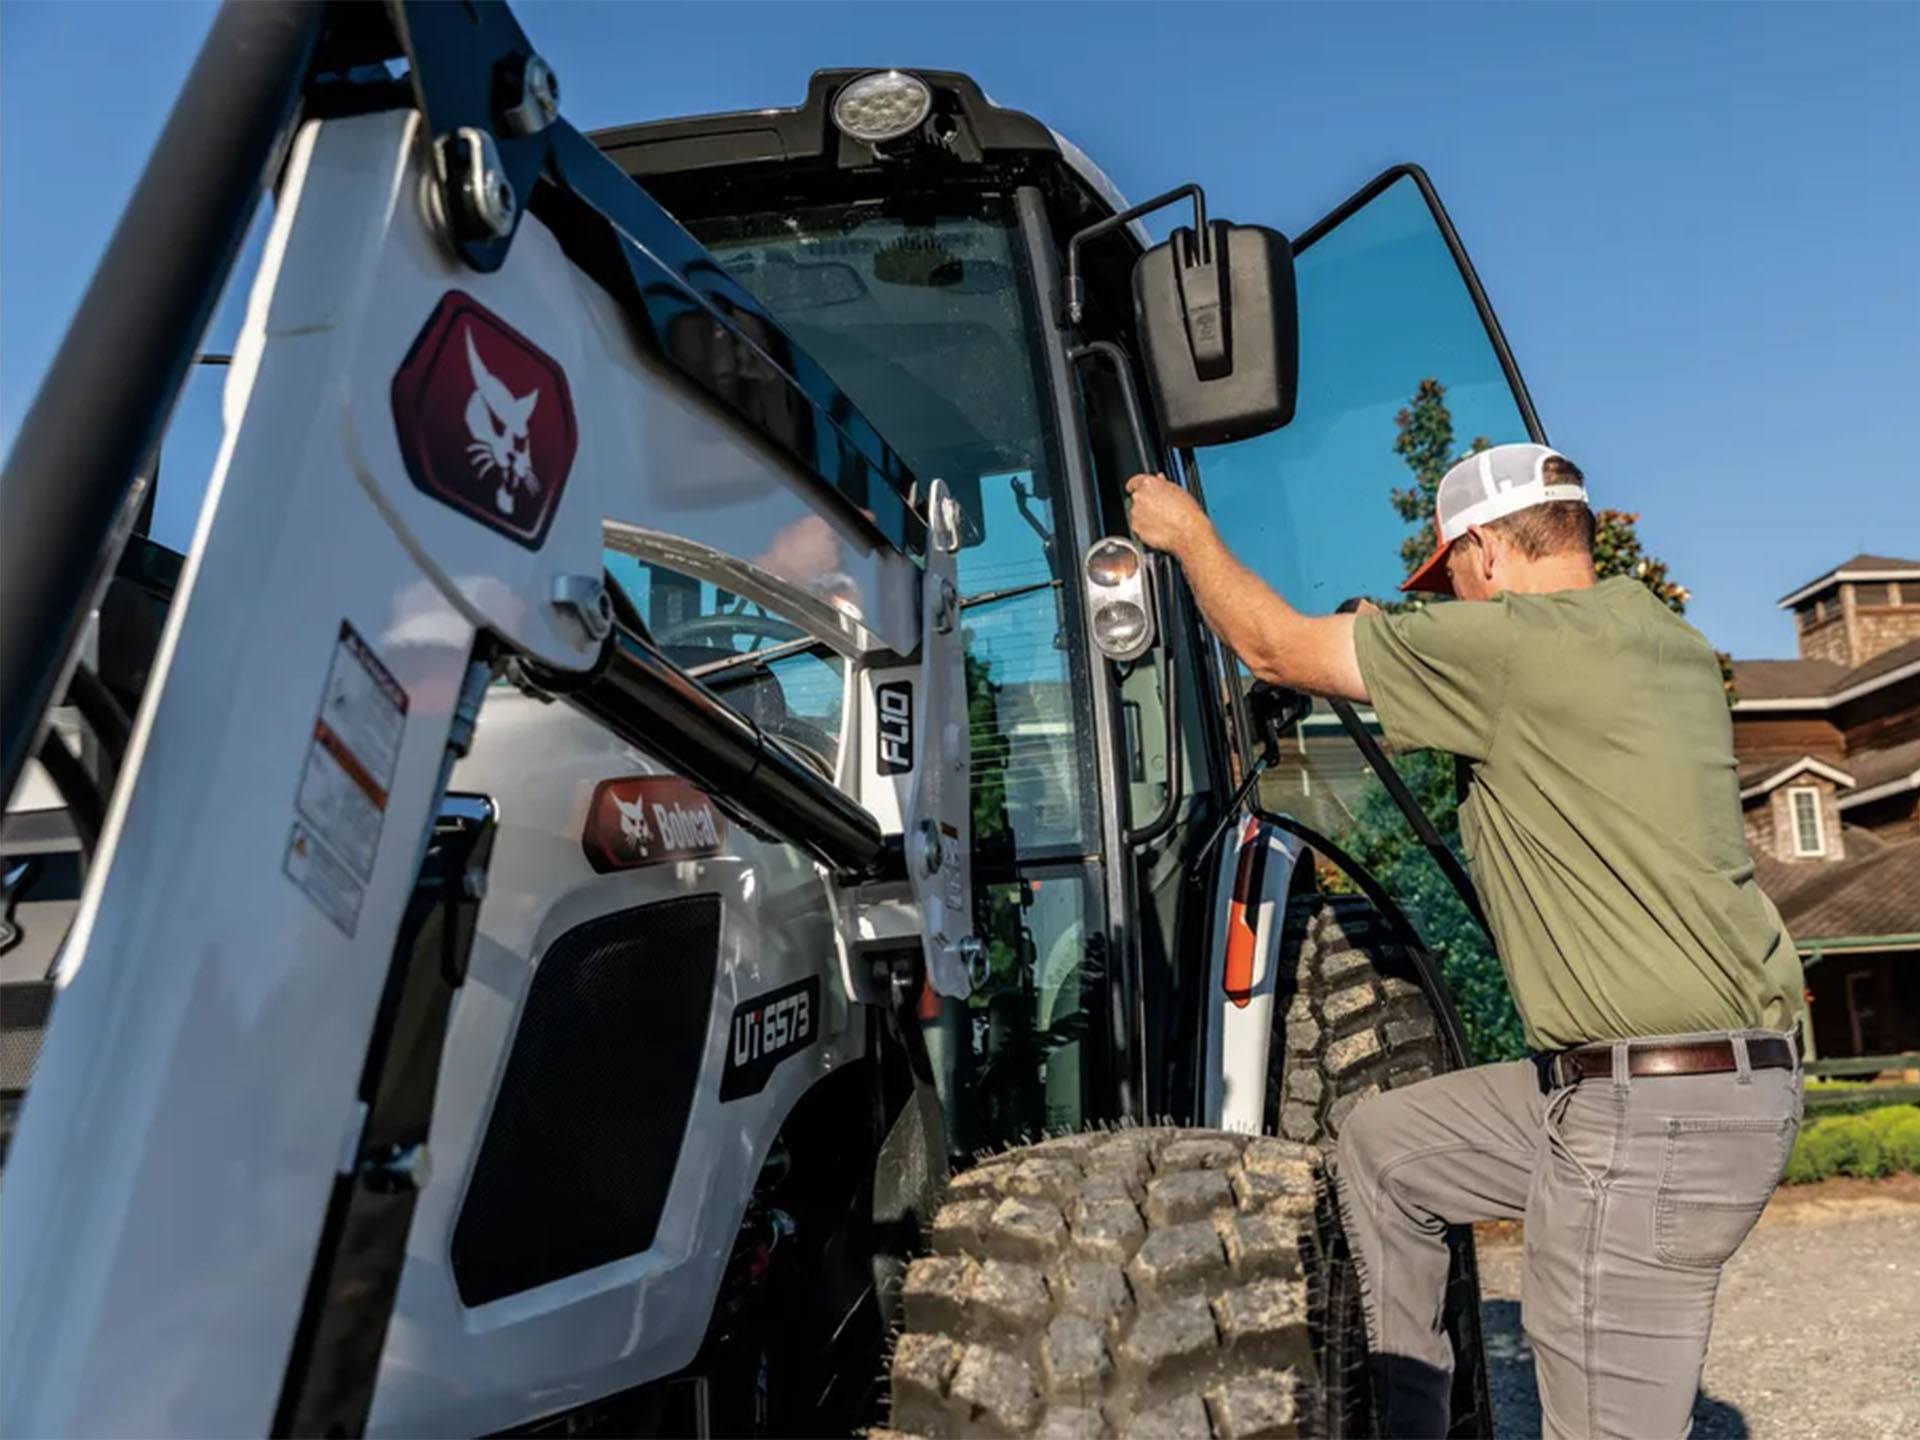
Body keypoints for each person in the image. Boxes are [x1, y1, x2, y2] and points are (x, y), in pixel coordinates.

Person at [1126, 445, 1805, 1440]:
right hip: (1699, 1088)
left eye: (1448, 581)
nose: (1448, 606)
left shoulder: (1519, 647)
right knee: (1389, 1147)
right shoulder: (1659, 642)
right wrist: (1401, 644)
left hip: (1651, 1117)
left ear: (1487, 551)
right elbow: (1524, 707)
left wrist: (1187, 535)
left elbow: (1273, 649)